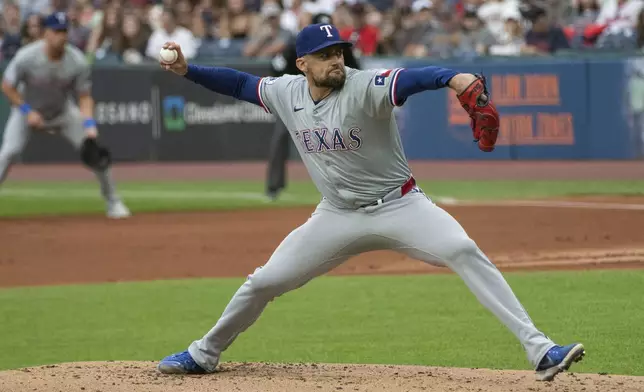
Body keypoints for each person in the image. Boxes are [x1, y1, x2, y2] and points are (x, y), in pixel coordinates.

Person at [155, 23, 585, 382]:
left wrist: (455, 78)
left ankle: (541, 351)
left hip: (401, 207)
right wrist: (187, 69)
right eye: (324, 55)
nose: (336, 60)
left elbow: (413, 78)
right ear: (302, 64)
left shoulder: (365, 87)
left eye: (339, 51)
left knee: (462, 250)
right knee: (264, 282)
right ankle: (204, 353)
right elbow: (239, 84)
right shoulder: (288, 92)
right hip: (336, 216)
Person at [0, 12, 130, 219]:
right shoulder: (27, 57)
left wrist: (89, 124)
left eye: (64, 31)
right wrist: (27, 111)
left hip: (62, 112)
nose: (61, 36)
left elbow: (85, 97)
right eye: (56, 31)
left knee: (95, 153)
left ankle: (113, 202)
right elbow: (7, 87)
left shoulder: (76, 61)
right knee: (8, 153)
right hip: (27, 111)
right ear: (45, 33)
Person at [266, 13, 361, 200]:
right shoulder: (295, 46)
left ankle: (352, 187)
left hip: (334, 101)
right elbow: (276, 69)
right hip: (297, 101)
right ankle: (273, 187)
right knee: (280, 138)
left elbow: (357, 72)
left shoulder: (341, 48)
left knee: (348, 139)